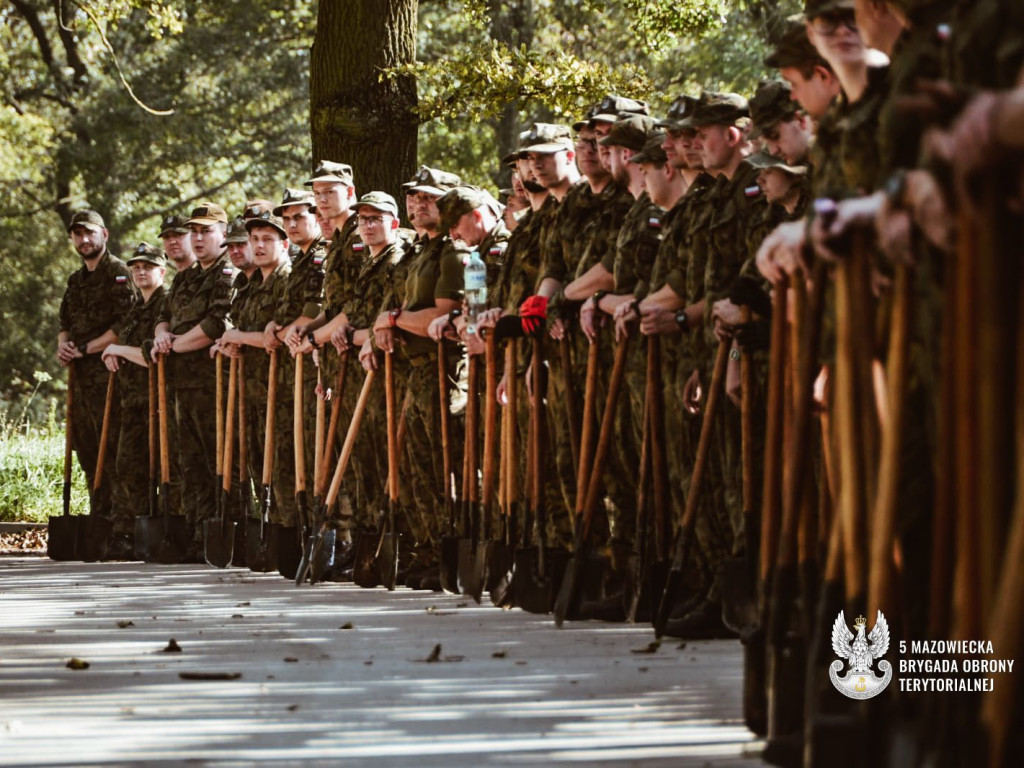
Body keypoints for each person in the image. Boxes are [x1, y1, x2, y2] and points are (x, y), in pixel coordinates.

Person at [372, 167, 463, 586]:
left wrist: (393, 319)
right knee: (416, 467)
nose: (417, 204)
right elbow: (403, 314)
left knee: (447, 466)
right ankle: (428, 551)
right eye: (413, 197)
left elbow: (439, 313)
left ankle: (453, 554)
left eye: (427, 198)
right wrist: (391, 323)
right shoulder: (417, 254)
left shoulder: (452, 252)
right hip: (415, 369)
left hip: (445, 370)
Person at [152, 202, 235, 559]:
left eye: (206, 231)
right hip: (181, 385)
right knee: (190, 461)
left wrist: (174, 346)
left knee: (218, 460)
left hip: (212, 383)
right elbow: (163, 314)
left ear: (223, 234)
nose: (198, 239)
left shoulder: (226, 273)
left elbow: (216, 324)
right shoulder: (185, 277)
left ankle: (223, 534)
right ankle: (198, 536)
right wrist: (161, 335)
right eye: (195, 232)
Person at [57, 209, 137, 558]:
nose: (84, 240)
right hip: (80, 383)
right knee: (88, 452)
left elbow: (125, 324)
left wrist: (86, 349)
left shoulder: (119, 274)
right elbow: (64, 322)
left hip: (111, 378)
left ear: (104, 234)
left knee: (115, 453)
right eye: (77, 234)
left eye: (89, 233)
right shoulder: (76, 281)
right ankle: (99, 521)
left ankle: (123, 529)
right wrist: (64, 345)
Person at [101, 243, 170, 558]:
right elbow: (128, 347)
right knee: (127, 464)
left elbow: (151, 355)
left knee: (158, 468)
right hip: (132, 400)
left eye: (148, 266)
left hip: (158, 400)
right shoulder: (135, 308)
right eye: (136, 267)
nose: (141, 271)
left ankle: (151, 532)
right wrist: (113, 356)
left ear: (162, 271)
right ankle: (131, 532)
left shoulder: (164, 305)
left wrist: (117, 351)